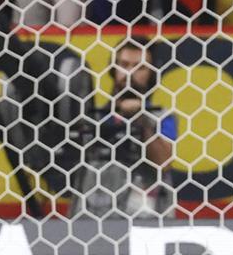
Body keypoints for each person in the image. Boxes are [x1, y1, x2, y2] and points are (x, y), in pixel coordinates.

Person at [76, 39, 177, 217]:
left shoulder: (162, 117)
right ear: (112, 69)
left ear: (151, 75)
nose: (130, 73)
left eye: (140, 67)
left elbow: (164, 163)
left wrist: (140, 119)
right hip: (94, 216)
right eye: (124, 65)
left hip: (147, 218)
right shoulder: (93, 118)